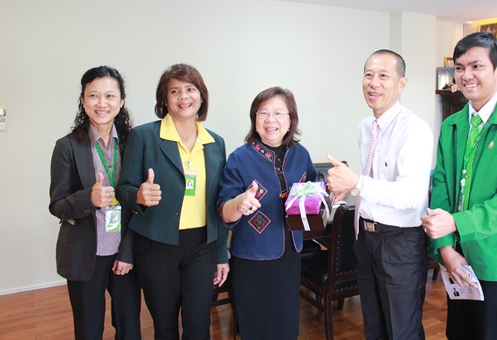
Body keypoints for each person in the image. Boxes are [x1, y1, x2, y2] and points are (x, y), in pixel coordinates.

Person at [421, 32, 497, 340]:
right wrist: (446, 248)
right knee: (459, 334)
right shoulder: (452, 125)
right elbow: (442, 187)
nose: (466, 76)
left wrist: (456, 223)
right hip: (460, 255)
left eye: (477, 66)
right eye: (460, 68)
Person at [116, 63, 229, 340]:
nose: (183, 97)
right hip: (157, 245)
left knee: (198, 325)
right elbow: (123, 189)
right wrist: (138, 195)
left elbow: (219, 202)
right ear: (164, 100)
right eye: (174, 91)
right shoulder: (144, 136)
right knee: (165, 326)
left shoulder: (215, 143)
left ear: (201, 96)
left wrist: (221, 255)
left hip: (202, 246)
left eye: (190, 89)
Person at [327, 50, 433, 340]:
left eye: (383, 76)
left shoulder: (414, 129)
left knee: (402, 330)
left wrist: (357, 182)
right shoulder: (365, 126)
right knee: (373, 326)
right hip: (365, 237)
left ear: (401, 83)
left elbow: (411, 196)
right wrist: (351, 187)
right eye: (368, 75)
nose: (373, 83)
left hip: (400, 242)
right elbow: (373, 183)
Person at [49, 66, 141, 340]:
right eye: (93, 95)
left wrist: (128, 251)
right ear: (83, 100)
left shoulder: (132, 143)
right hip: (86, 253)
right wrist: (87, 198)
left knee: (130, 328)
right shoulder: (67, 146)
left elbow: (138, 205)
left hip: (124, 251)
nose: (102, 103)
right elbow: (57, 204)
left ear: (121, 101)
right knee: (89, 330)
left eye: (110, 96)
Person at [218, 87, 316, 340]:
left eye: (279, 113)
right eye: (263, 113)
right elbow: (224, 211)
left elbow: (313, 191)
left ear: (290, 120)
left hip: (289, 254)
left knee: (286, 324)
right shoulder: (239, 158)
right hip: (252, 256)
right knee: (256, 325)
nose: (271, 120)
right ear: (254, 119)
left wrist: (327, 195)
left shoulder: (301, 155)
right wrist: (238, 204)